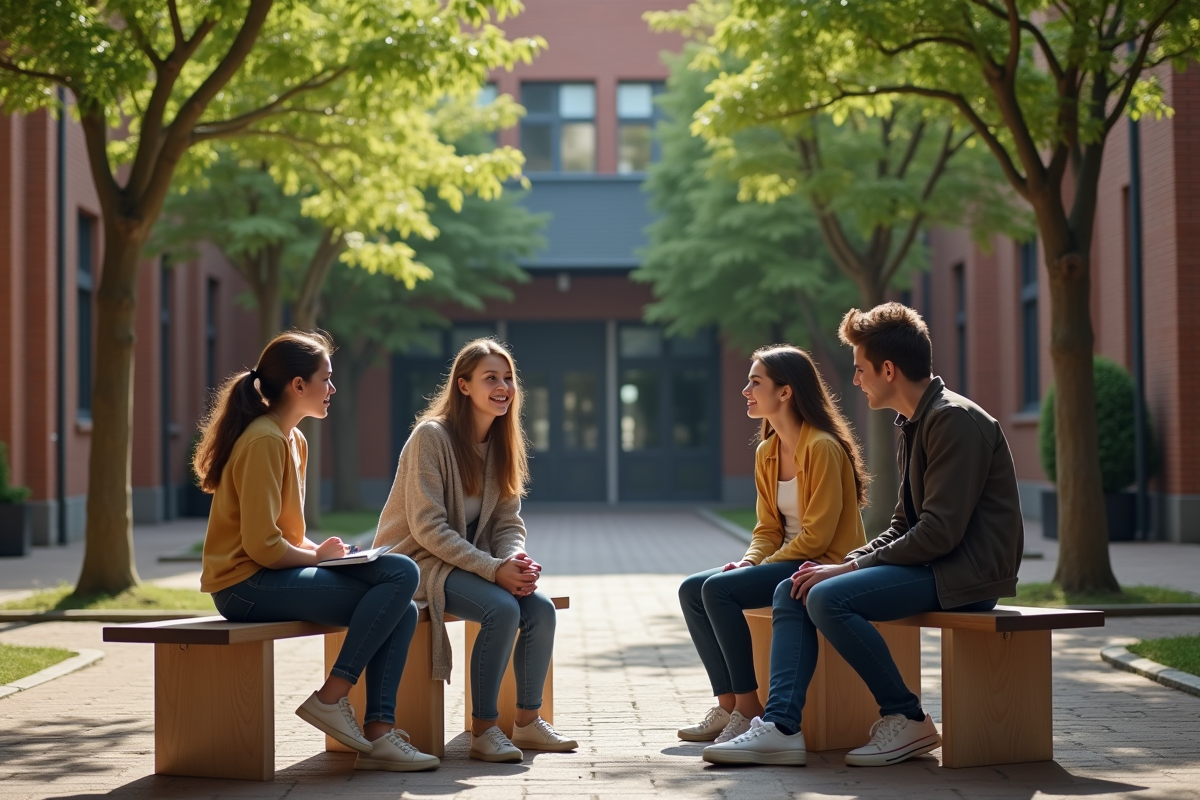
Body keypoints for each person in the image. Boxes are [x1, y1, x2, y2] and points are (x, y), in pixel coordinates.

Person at [704, 303, 1024, 767]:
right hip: (936, 564)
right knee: (796, 588)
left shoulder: (954, 420)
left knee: (829, 598)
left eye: (859, 369)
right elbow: (902, 524)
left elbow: (939, 531)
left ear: (887, 369)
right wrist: (841, 563)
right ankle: (781, 728)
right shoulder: (915, 422)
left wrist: (849, 566)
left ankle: (907, 717)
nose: (854, 380)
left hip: (966, 574)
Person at [197, 330, 438, 772]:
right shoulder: (264, 440)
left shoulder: (293, 440)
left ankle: (380, 734)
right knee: (401, 574)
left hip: (269, 576)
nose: (333, 389)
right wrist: (318, 558)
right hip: (242, 587)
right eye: (326, 379)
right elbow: (262, 547)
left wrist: (335, 554)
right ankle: (331, 699)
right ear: (298, 385)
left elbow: (289, 533)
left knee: (400, 601)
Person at [374, 338, 577, 763]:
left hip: (470, 563)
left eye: (508, 378)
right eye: (491, 378)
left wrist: (514, 559)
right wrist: (492, 569)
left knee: (538, 608)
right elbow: (427, 528)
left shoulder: (502, 442)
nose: (503, 386)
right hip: (417, 563)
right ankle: (484, 730)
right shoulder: (430, 438)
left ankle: (526, 722)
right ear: (463, 386)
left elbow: (507, 522)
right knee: (501, 609)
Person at [677, 345, 869, 745]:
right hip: (788, 559)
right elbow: (767, 528)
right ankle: (729, 705)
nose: (746, 390)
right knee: (693, 588)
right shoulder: (767, 451)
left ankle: (750, 710)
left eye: (755, 382)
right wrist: (749, 562)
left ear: (785, 392)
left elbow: (817, 535)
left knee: (719, 589)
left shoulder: (823, 447)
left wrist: (759, 569)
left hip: (823, 563)